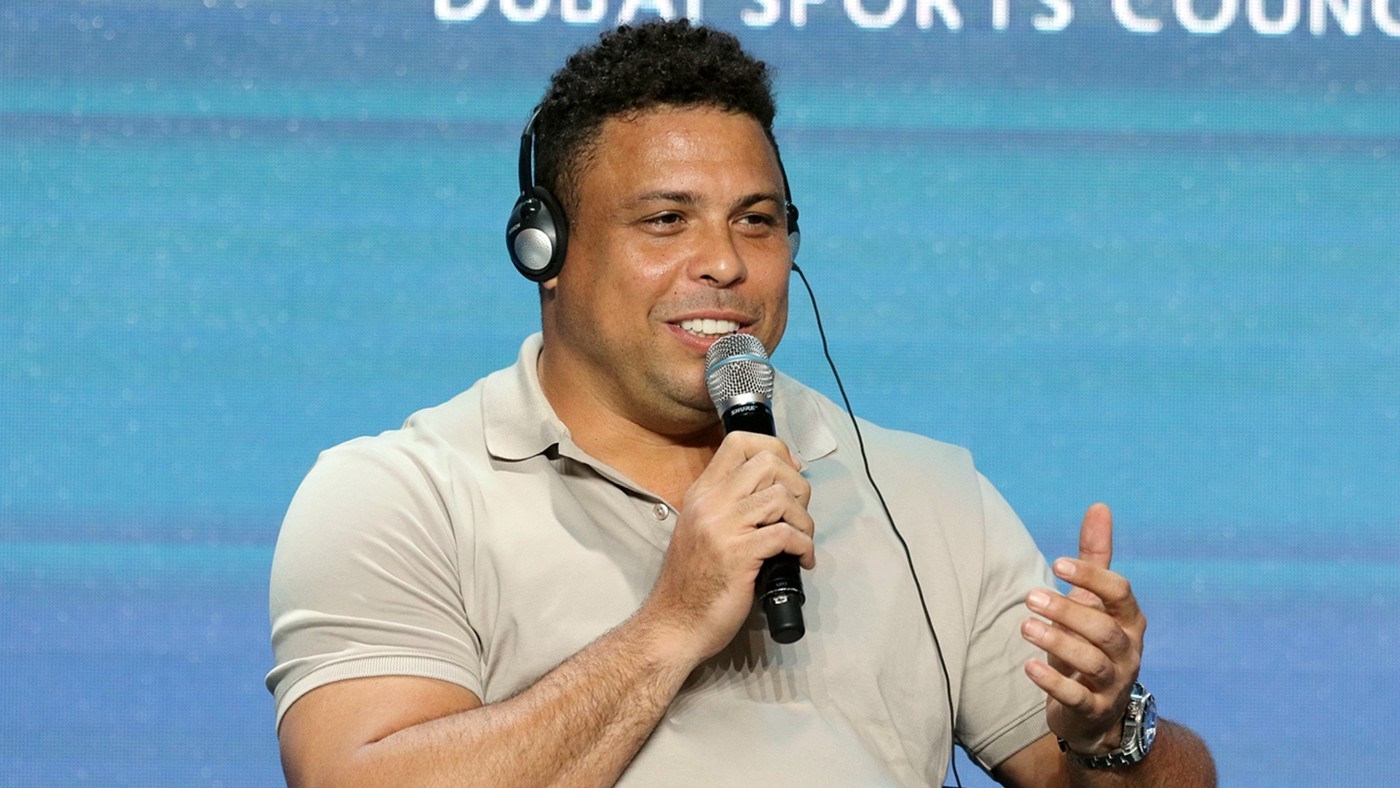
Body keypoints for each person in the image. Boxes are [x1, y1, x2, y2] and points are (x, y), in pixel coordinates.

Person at [266, 19, 1216, 787]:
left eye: (756, 222)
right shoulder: (400, 496)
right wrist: (670, 625)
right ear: (543, 250)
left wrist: (1110, 735)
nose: (724, 262)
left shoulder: (924, 493)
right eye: (666, 219)